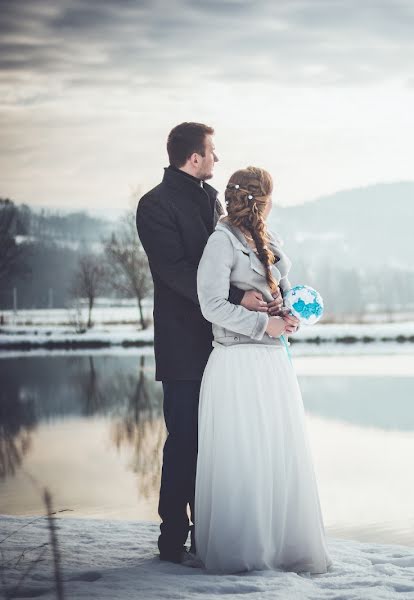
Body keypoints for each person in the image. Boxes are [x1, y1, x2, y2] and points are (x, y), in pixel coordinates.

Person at [136, 123, 282, 565]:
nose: (217, 159)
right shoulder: (154, 205)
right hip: (183, 343)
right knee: (184, 439)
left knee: (219, 441)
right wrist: (237, 298)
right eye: (212, 152)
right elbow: (176, 271)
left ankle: (209, 534)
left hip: (224, 341)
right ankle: (171, 536)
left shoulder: (210, 198)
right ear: (194, 157)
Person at [194, 166, 332, 574]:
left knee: (277, 449)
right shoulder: (220, 243)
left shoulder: (270, 241)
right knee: (246, 451)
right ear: (263, 200)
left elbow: (281, 293)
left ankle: (285, 546)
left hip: (273, 360)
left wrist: (288, 316)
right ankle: (244, 551)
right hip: (238, 361)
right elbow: (211, 304)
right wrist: (262, 324)